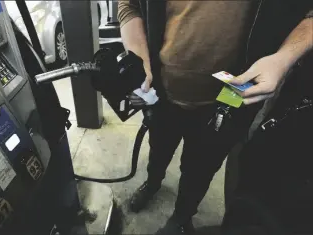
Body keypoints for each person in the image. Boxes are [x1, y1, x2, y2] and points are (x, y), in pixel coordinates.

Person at [117, 1, 313, 234]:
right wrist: (139, 61)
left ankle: (182, 216)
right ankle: (152, 183)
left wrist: (283, 58)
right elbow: (129, 5)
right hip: (162, 91)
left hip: (232, 95)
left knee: (201, 167)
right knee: (158, 148)